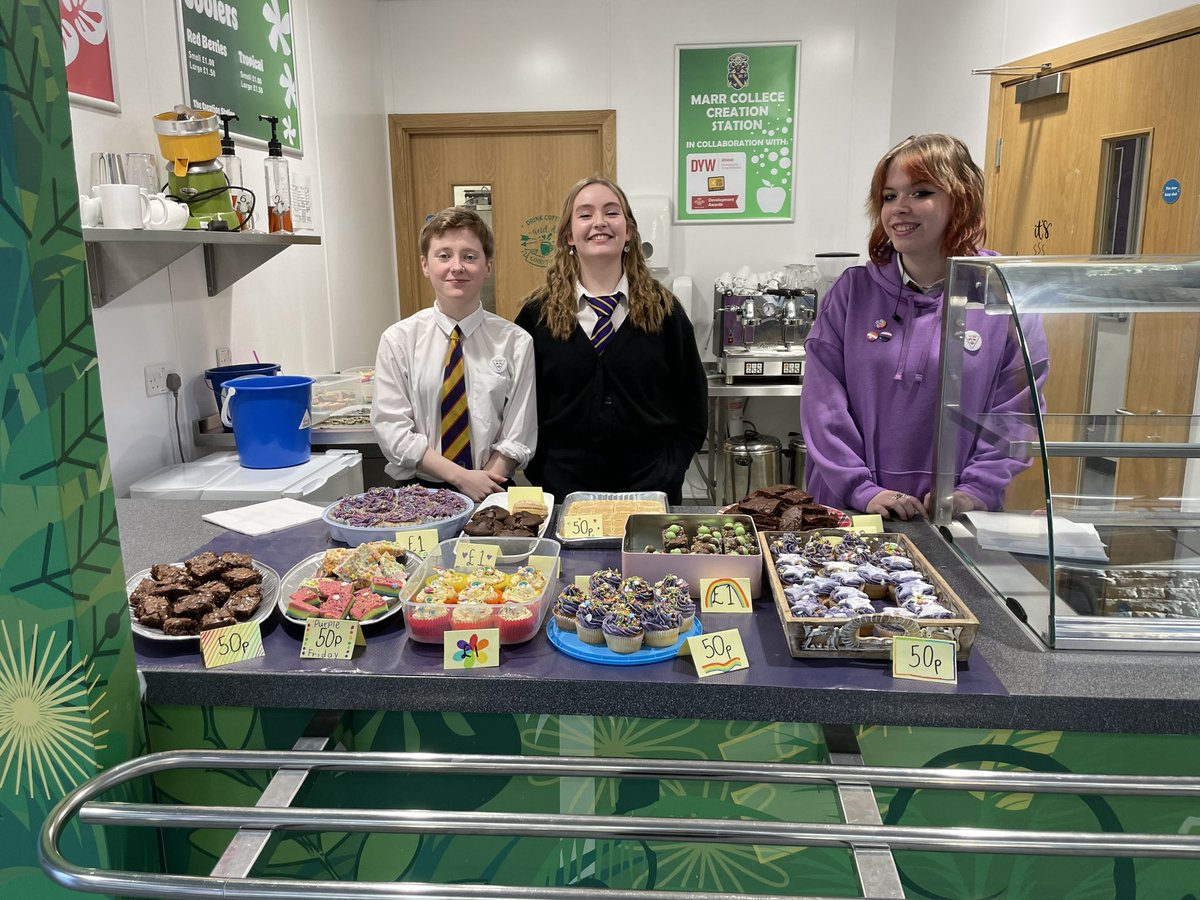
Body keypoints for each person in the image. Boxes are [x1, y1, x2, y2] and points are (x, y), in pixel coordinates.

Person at [801, 133, 1048, 520]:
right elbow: (822, 404)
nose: (900, 208)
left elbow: (1016, 412)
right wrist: (861, 489)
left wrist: (973, 490)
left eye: (920, 192)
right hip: (854, 508)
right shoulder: (853, 292)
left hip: (952, 514)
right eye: (889, 196)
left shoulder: (1001, 294)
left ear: (960, 200)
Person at [515, 176, 707, 505]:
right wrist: (542, 468)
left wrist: (672, 467)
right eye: (585, 214)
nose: (599, 222)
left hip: (651, 489)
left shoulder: (666, 312)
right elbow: (520, 405)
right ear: (568, 235)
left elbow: (692, 402)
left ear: (629, 231)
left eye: (611, 212)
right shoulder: (537, 316)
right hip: (563, 492)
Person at [372, 207, 536, 502]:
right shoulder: (398, 341)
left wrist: (483, 484)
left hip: (492, 489)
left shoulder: (515, 342)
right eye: (444, 255)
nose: (457, 266)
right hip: (416, 491)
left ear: (487, 267)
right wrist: (461, 478)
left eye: (470, 256)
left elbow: (519, 433)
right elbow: (392, 430)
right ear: (425, 264)